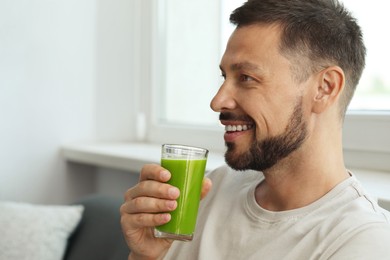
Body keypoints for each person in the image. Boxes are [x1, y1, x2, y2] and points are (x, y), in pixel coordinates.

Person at [120, 0, 390, 259]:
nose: (217, 101)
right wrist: (147, 256)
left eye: (247, 78)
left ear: (324, 88)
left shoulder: (362, 241)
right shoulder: (212, 190)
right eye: (225, 77)